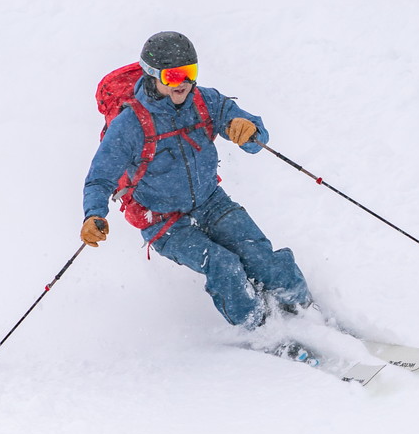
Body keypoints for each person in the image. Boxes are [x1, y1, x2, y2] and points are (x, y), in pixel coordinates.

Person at [80, 31, 312, 327]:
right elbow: (99, 177)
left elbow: (251, 130)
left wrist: (249, 131)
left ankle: (305, 308)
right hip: (163, 222)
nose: (183, 84)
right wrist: (94, 215)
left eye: (190, 73)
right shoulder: (130, 124)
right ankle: (260, 328)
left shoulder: (205, 101)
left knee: (260, 257)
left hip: (210, 201)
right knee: (223, 265)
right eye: (173, 76)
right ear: (153, 76)